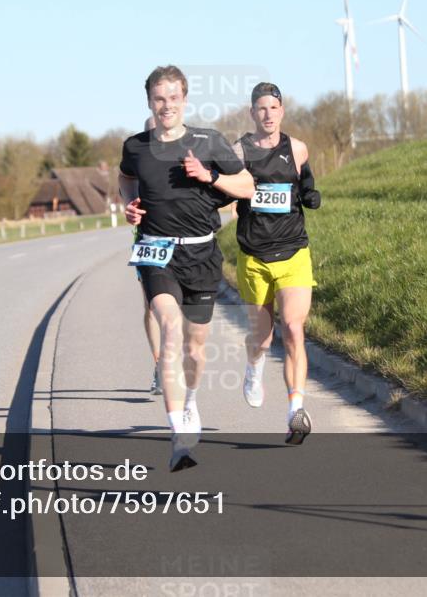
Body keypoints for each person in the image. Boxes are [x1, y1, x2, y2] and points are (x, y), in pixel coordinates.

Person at [119, 65, 254, 470]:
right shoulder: (135, 146)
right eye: (159, 99)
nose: (166, 106)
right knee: (170, 329)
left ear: (184, 99)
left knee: (196, 348)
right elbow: (126, 180)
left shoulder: (207, 140)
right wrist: (130, 206)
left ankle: (191, 402)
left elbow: (246, 186)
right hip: (157, 252)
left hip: (201, 254)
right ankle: (178, 436)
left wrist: (209, 175)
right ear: (149, 102)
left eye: (173, 98)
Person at [232, 82, 321, 445]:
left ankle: (294, 410)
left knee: (295, 329)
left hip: (294, 253)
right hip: (254, 256)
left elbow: (307, 184)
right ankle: (254, 368)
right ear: (252, 113)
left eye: (274, 108)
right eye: (261, 109)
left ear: (282, 111)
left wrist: (311, 194)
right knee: (262, 338)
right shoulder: (238, 151)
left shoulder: (297, 149)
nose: (268, 114)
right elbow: (223, 191)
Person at [141, 115, 163, 395]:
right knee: (150, 306)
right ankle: (160, 364)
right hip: (148, 241)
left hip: (183, 242)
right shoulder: (139, 163)